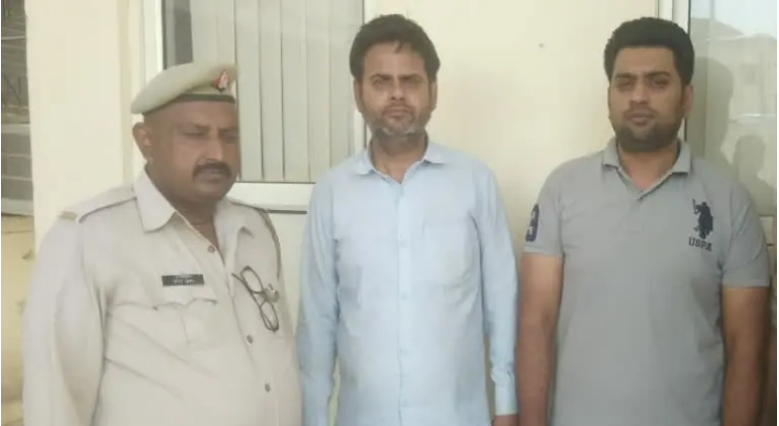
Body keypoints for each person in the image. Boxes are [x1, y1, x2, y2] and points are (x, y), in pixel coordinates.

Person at [517, 17, 769, 426]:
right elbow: (535, 324)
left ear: (687, 98)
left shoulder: (729, 201)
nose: (638, 96)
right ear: (609, 95)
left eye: (657, 82)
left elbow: (748, 349)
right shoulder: (562, 189)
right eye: (625, 82)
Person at [22, 62, 301, 426]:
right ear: (146, 141)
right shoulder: (89, 238)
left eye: (229, 136)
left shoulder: (255, 228)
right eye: (195, 134)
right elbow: (54, 398)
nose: (217, 153)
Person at [296, 14, 518, 426]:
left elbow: (501, 304)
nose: (397, 94)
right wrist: (314, 417)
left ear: (433, 91)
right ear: (358, 93)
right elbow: (318, 320)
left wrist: (505, 405)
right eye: (381, 81)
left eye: (411, 81)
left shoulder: (474, 182)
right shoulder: (332, 191)